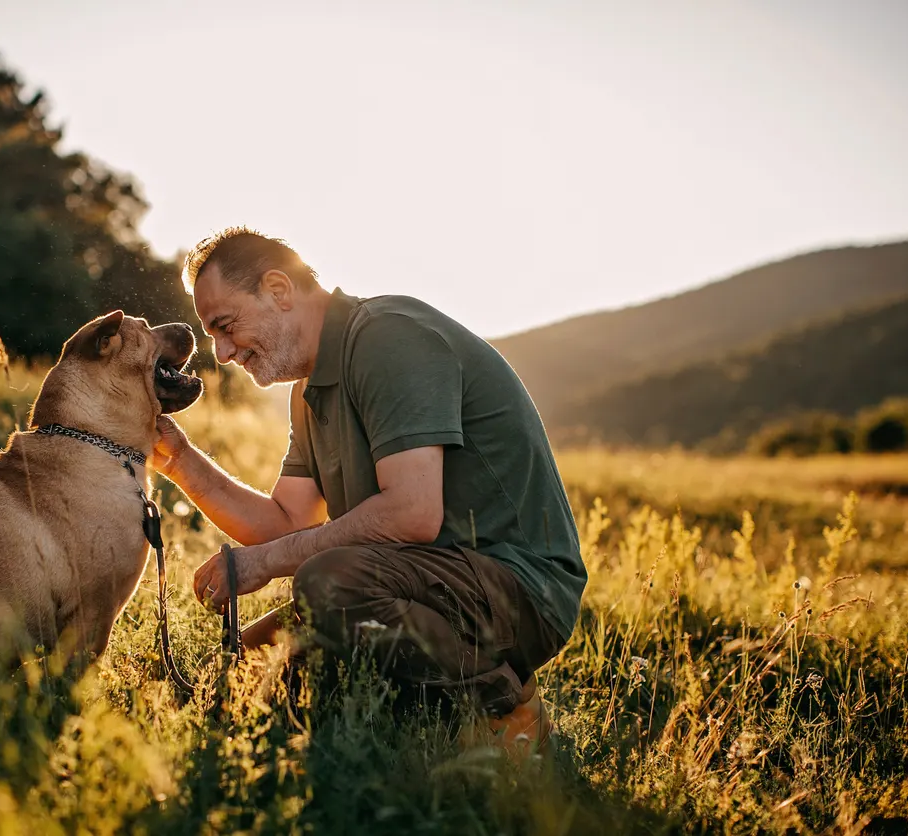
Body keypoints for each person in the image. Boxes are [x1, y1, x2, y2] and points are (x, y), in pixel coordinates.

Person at [150, 227, 586, 752]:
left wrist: (263, 563)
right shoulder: (308, 390)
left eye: (226, 325)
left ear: (278, 289)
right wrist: (177, 459)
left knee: (329, 582)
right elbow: (285, 521)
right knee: (235, 681)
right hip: (417, 582)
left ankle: (504, 707)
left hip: (517, 590)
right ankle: (412, 710)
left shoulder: (387, 337)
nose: (220, 353)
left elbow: (412, 513)